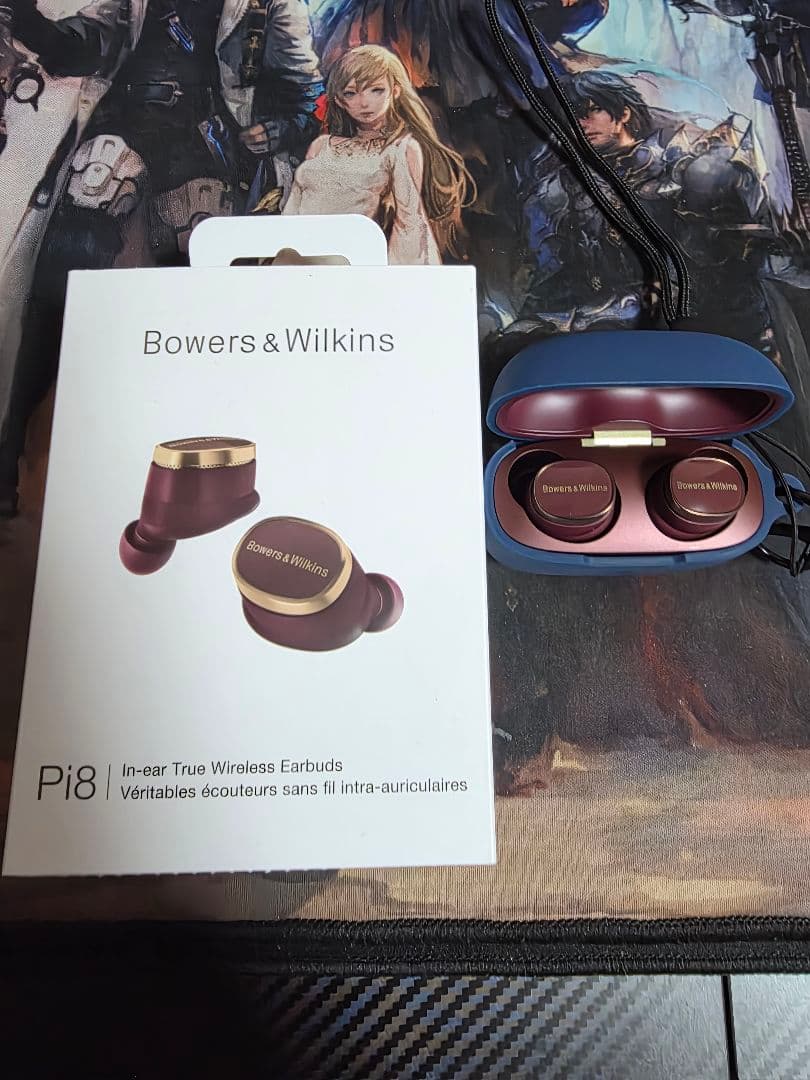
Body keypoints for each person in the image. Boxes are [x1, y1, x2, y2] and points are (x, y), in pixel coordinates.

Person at [282, 45, 473, 265]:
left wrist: (405, 280)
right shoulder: (321, 145)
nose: (364, 102)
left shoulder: (400, 149)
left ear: (395, 91)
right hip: (292, 258)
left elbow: (410, 223)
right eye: (351, 93)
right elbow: (292, 211)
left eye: (376, 90)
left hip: (344, 263)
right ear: (340, 101)